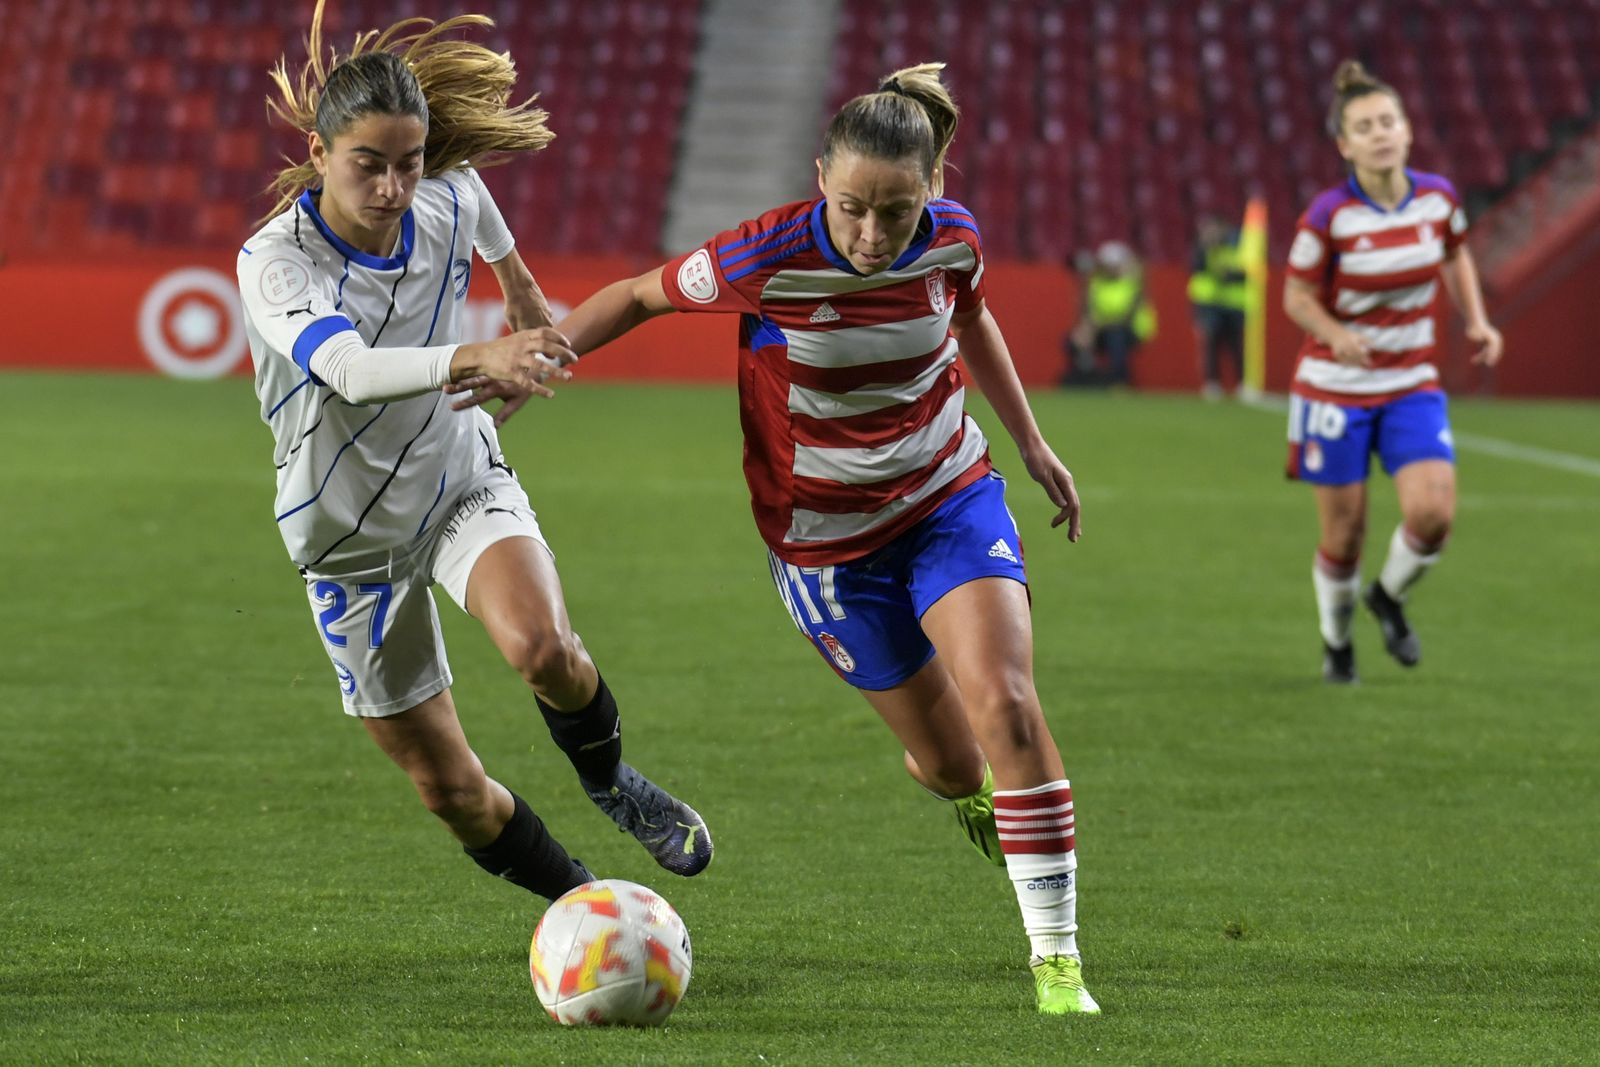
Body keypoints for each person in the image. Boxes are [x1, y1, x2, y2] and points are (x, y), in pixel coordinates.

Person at [462, 61, 1099, 1014]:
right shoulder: (766, 254)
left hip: (947, 498)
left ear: (933, 192)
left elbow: (971, 317)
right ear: (820, 179)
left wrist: (1032, 442)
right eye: (852, 209)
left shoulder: (953, 239)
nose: (873, 234)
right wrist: (539, 358)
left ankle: (1058, 964)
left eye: (896, 212)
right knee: (955, 763)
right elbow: (638, 294)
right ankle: (973, 793)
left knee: (1007, 702)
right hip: (829, 550)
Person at [237, 0, 712, 907]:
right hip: (347, 543)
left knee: (547, 649)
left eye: (408, 164)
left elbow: (473, 200)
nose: (390, 187)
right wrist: (478, 351)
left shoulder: (446, 194)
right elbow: (346, 367)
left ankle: (611, 782)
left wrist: (520, 283)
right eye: (366, 165)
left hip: (459, 476)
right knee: (450, 790)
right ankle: (588, 904)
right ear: (320, 152)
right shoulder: (276, 262)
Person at [1282, 60, 1503, 684]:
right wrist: (1335, 335)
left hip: (1410, 384)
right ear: (1345, 144)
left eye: (1389, 121)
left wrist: (1477, 320)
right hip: (1334, 389)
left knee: (1434, 516)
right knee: (1346, 533)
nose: (1381, 133)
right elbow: (1296, 297)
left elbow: (1454, 257)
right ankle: (1337, 643)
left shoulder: (1438, 198)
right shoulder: (1329, 216)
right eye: (1366, 126)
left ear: (1407, 131)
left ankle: (1389, 597)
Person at [1065, 240, 1155, 386]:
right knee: (1071, 340)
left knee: (1116, 337)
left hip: (1132, 330)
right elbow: (1089, 311)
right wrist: (1086, 329)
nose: (1110, 268)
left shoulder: (1133, 285)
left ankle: (1119, 381)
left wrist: (1098, 325)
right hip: (1103, 328)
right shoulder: (1096, 284)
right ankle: (1083, 378)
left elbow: (1126, 317)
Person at [1188, 214, 1247, 398]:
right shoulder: (1202, 248)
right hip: (1209, 303)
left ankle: (1242, 384)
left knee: (1236, 346)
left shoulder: (1238, 247)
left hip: (1233, 303)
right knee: (1211, 343)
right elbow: (1197, 267)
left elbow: (1246, 273)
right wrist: (1206, 247)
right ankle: (1212, 383)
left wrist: (1230, 274)